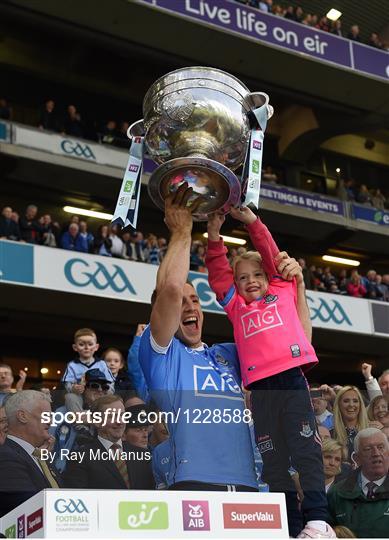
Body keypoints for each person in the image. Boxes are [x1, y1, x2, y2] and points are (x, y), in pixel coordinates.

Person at [139, 184, 312, 535]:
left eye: (196, 301)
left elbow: (298, 343)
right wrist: (183, 231)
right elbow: (170, 289)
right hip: (195, 489)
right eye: (182, 302)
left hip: (252, 489)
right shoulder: (160, 355)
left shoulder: (227, 354)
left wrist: (298, 286)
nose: (189, 306)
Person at [205, 206, 331, 538]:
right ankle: (290, 526)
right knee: (273, 460)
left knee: (305, 451)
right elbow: (217, 271)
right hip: (260, 391)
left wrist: (251, 222)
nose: (250, 282)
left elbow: (271, 255)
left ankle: (318, 519)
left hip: (291, 381)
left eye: (256, 275)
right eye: (242, 277)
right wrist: (214, 234)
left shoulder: (283, 289)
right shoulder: (235, 306)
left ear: (268, 276)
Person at [63, 395, 154, 489]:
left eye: (122, 415)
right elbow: (78, 498)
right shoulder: (80, 457)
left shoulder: (142, 455)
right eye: (112, 416)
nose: (119, 422)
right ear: (97, 421)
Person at [0, 391, 61, 517]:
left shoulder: (39, 457)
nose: (50, 422)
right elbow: (30, 507)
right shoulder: (5, 456)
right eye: (46, 416)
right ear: (22, 416)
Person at [327, 428, 389, 538]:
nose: (376, 453)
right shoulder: (336, 493)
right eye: (368, 449)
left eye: (381, 447)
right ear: (356, 458)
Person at [61, 328, 115, 419]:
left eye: (90, 344)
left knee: (113, 400)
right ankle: (81, 424)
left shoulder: (102, 364)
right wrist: (73, 389)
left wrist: (107, 391)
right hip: (81, 398)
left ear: (96, 347)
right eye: (82, 344)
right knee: (70, 397)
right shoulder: (72, 365)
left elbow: (111, 383)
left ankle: (103, 420)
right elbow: (67, 384)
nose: (86, 347)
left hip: (99, 395)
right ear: (75, 347)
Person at [332, 385, 369, 461]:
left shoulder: (371, 432)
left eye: (355, 401)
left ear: (360, 405)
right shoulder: (330, 434)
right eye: (346, 401)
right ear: (338, 405)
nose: (351, 405)